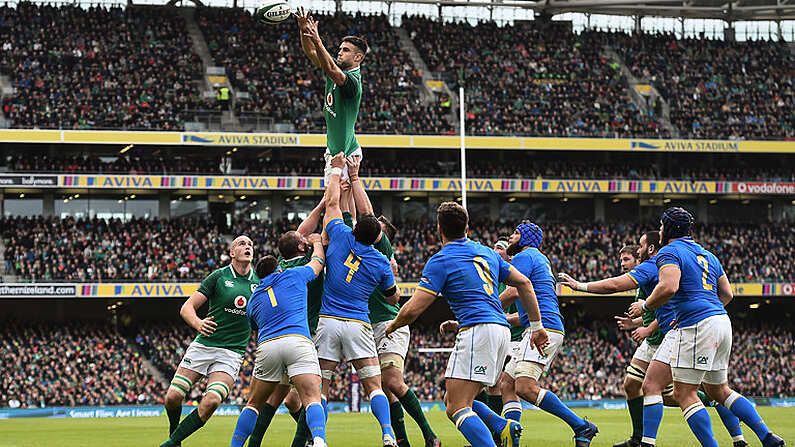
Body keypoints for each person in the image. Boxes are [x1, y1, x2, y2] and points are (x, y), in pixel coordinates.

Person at [560, 231, 747, 447]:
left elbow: (666, 308)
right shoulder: (644, 280)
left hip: (670, 336)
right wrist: (636, 323)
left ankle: (724, 426)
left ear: (643, 254)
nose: (623, 263)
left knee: (679, 393)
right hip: (655, 341)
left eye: (627, 258)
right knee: (634, 385)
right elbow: (652, 309)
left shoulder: (655, 270)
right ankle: (639, 438)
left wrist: (647, 328)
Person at [386, 202, 549, 447]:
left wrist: (391, 327)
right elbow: (525, 283)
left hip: (478, 331)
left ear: (439, 229)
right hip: (501, 330)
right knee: (454, 398)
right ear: (467, 227)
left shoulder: (441, 260)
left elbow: (413, 309)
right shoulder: (488, 253)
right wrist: (537, 327)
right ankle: (502, 425)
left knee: (456, 407)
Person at [628, 207, 785, 447]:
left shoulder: (669, 251)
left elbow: (669, 287)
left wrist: (646, 306)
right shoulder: (708, 255)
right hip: (721, 321)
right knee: (719, 390)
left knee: (684, 393)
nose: (659, 230)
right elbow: (727, 294)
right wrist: (707, 311)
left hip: (696, 325)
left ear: (668, 229)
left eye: (661, 226)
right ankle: (766, 436)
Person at [346, 157, 441, 447]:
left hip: (388, 322)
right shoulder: (356, 244)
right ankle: (401, 440)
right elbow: (354, 217)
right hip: (365, 326)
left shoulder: (380, 247)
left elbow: (365, 212)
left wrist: (355, 177)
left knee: (392, 383)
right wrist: (347, 186)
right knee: (384, 390)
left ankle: (429, 435)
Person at [317, 153, 400, 447]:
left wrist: (336, 170)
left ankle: (319, 438)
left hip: (327, 321)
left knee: (322, 388)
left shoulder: (340, 235)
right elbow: (393, 297)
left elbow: (332, 205)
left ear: (355, 229)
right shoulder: (380, 261)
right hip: (358, 323)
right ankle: (388, 434)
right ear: (378, 236)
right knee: (374, 387)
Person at [499, 222, 599, 447]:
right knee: (507, 382)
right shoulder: (540, 259)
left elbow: (514, 291)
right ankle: (509, 437)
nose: (511, 237)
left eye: (515, 233)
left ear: (525, 238)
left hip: (542, 330)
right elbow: (524, 312)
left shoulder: (524, 256)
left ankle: (580, 425)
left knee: (524, 387)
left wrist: (485, 307)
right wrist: (502, 317)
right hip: (541, 326)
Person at [160, 236, 260, 447]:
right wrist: (198, 323)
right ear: (232, 253)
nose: (247, 247)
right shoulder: (219, 276)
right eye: (241, 244)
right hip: (204, 345)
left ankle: (170, 444)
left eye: (250, 244)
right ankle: (174, 437)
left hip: (232, 352)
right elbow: (186, 308)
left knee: (212, 400)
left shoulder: (258, 282)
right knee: (172, 397)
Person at [229, 238, 326, 447]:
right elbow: (317, 264)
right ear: (279, 269)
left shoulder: (253, 298)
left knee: (253, 404)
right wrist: (317, 243)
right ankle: (318, 441)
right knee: (312, 399)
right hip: (298, 340)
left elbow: (253, 325)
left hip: (268, 346)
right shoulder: (293, 274)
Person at [296, 7, 367, 183]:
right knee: (337, 206)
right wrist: (303, 30)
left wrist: (318, 40)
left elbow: (330, 68)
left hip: (345, 154)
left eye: (345, 50)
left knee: (336, 205)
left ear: (358, 57)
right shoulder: (336, 68)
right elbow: (311, 53)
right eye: (340, 49)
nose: (339, 52)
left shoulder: (353, 81)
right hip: (336, 151)